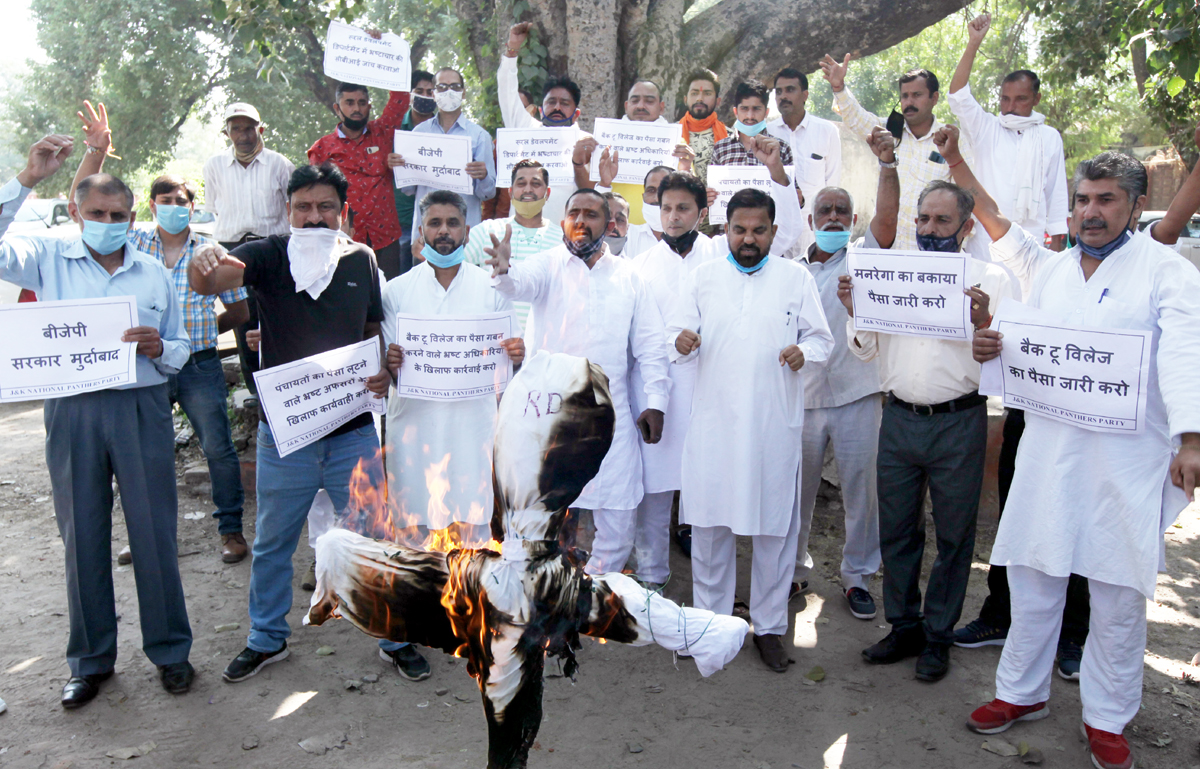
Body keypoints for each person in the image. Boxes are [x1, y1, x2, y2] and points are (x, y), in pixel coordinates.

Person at [941, 126, 1200, 769]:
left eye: (1108, 200)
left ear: (1134, 207)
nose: (1091, 211)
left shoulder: (1166, 271)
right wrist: (990, 347)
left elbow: (1184, 354)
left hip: (1127, 457)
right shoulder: (1053, 269)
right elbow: (1023, 344)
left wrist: (1190, 438)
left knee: (1115, 587)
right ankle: (1020, 694)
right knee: (1033, 572)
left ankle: (1107, 718)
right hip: (1051, 449)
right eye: (1084, 198)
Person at [186, 164, 413, 682]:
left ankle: (394, 636)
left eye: (325, 207)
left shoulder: (360, 259)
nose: (314, 217)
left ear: (343, 212)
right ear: (288, 211)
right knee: (272, 542)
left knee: (375, 538)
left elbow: (373, 326)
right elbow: (209, 281)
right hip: (285, 435)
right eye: (303, 207)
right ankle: (267, 639)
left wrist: (379, 370)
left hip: (352, 430)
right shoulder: (267, 256)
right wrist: (203, 258)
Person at [2, 133, 195, 706]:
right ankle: (90, 662)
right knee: (81, 534)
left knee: (155, 533)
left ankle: (170, 651)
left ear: (133, 216)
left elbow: (182, 345)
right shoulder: (45, 257)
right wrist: (26, 179)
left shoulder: (152, 271)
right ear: (75, 212)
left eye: (117, 214)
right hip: (73, 410)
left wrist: (160, 348)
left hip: (141, 408)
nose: (107, 222)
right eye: (96, 214)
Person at [836, 174, 1012, 683]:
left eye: (943, 220)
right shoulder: (890, 275)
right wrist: (857, 311)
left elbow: (1004, 365)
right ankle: (904, 625)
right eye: (924, 219)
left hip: (958, 422)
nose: (930, 228)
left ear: (965, 226)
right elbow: (866, 351)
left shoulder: (990, 279)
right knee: (897, 530)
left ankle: (938, 636)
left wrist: (984, 325)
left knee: (955, 536)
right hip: (898, 419)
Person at [74, 103, 251, 564]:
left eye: (183, 202)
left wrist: (205, 331)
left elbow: (241, 307)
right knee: (144, 455)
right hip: (142, 366)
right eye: (165, 201)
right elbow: (86, 208)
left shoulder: (210, 251)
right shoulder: (130, 243)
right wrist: (95, 152)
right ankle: (146, 535)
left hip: (199, 365)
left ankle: (230, 531)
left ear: (194, 208)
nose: (174, 208)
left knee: (218, 449)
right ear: (151, 207)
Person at [668, 187, 834, 672]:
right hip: (715, 427)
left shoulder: (795, 278)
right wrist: (681, 341)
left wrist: (807, 353)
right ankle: (711, 626)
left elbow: (821, 339)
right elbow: (673, 336)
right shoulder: (703, 278)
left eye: (758, 230)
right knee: (712, 527)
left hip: (770, 429)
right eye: (739, 229)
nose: (748, 238)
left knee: (773, 532)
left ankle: (770, 627)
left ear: (773, 232)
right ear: (725, 231)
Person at [486, 189, 670, 577]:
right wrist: (503, 269)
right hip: (548, 415)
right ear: (564, 219)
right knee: (536, 509)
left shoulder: (629, 277)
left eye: (592, 214)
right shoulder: (547, 265)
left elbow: (651, 346)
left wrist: (656, 401)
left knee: (618, 510)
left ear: (610, 224)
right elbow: (518, 282)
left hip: (610, 412)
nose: (582, 221)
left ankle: (593, 590)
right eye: (574, 212)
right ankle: (538, 587)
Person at [379, 190, 525, 670]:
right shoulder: (396, 291)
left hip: (473, 428)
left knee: (472, 528)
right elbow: (377, 366)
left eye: (452, 223)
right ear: (420, 233)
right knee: (412, 530)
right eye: (435, 222)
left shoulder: (494, 289)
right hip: (414, 428)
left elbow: (516, 356)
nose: (444, 230)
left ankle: (471, 623)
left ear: (467, 229)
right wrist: (389, 360)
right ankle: (401, 635)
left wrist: (518, 356)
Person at [794, 127, 896, 622]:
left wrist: (887, 164)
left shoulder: (865, 258)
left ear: (853, 220)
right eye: (824, 212)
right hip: (805, 398)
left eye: (841, 211)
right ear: (811, 221)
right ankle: (793, 569)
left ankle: (858, 575)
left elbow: (890, 215)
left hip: (859, 394)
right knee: (797, 491)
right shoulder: (791, 271)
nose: (832, 217)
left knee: (863, 490)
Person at [627, 172, 717, 590]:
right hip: (656, 389)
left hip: (709, 389)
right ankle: (651, 578)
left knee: (706, 490)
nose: (674, 217)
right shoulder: (640, 266)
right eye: (666, 208)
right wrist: (670, 342)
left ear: (701, 212)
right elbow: (633, 334)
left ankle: (709, 585)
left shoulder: (720, 258)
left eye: (683, 208)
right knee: (655, 490)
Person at [820, 54, 971, 252]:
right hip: (889, 248)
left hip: (935, 249)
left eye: (917, 95)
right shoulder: (888, 131)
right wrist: (839, 87)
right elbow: (856, 118)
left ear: (934, 98)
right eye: (904, 96)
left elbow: (967, 196)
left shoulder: (950, 141)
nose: (908, 102)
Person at [948, 13, 1068, 252]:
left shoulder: (1049, 136)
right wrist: (973, 43)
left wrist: (1057, 249)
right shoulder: (986, 128)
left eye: (1020, 99)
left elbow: (1055, 195)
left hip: (1031, 242)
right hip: (984, 242)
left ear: (1036, 99)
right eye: (1005, 99)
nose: (1010, 107)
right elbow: (958, 94)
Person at [203, 100, 294, 395]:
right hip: (233, 247)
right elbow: (216, 207)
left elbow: (292, 207)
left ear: (261, 129)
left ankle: (283, 382)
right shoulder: (214, 166)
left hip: (272, 246)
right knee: (243, 316)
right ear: (227, 132)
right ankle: (255, 388)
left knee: (277, 311)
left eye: (249, 128)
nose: (243, 135)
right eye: (236, 129)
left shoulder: (279, 164)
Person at [308, 49, 412, 280]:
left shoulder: (382, 132)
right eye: (350, 103)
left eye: (362, 103)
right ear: (337, 108)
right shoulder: (322, 149)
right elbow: (314, 197)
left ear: (369, 106)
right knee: (349, 304)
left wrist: (382, 50)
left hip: (385, 237)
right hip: (343, 240)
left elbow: (400, 97)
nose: (357, 108)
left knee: (387, 301)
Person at [392, 66, 496, 241]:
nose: (448, 92)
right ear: (433, 94)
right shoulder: (418, 133)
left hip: (465, 236)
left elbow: (488, 193)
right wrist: (401, 167)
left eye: (454, 87)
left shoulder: (479, 137)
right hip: (425, 237)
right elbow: (408, 190)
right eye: (441, 87)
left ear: (463, 94)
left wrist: (483, 175)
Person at [571, 79, 694, 225]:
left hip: (663, 231)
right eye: (635, 100)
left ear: (661, 107)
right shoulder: (606, 140)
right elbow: (590, 191)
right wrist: (578, 164)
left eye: (649, 101)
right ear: (626, 106)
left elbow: (689, 197)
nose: (641, 106)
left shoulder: (676, 144)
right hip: (615, 229)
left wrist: (686, 168)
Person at [499, 22, 587, 222]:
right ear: (540, 110)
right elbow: (507, 95)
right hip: (522, 236)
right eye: (551, 102)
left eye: (564, 103)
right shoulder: (525, 131)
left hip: (567, 238)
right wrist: (512, 50)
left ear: (576, 113)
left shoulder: (585, 142)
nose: (557, 108)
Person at [462, 160, 562, 333]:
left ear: (548, 193)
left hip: (542, 345)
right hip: (491, 342)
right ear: (510, 192)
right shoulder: (487, 230)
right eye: (521, 184)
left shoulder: (563, 240)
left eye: (536, 184)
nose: (528, 189)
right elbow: (453, 269)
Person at [767, 67, 842, 254]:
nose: (783, 96)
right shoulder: (767, 133)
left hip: (812, 228)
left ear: (805, 95)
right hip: (775, 227)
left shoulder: (827, 131)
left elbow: (832, 184)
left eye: (790, 90)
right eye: (779, 92)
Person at [707, 81, 803, 222]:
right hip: (728, 233)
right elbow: (711, 194)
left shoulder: (780, 148)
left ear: (766, 112)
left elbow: (796, 199)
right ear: (736, 111)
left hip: (768, 233)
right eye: (744, 109)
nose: (750, 116)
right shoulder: (721, 148)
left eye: (756, 109)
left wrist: (795, 196)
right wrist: (708, 196)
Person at [393, 70, 439, 276]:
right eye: (419, 91)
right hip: (400, 222)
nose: (425, 96)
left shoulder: (446, 132)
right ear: (410, 94)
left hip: (435, 222)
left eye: (430, 91)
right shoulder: (392, 129)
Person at [678, 69, 725, 186]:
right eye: (694, 93)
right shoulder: (672, 134)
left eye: (707, 93)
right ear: (685, 99)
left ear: (718, 101)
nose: (700, 98)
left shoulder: (730, 136)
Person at [602, 192, 631, 256]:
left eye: (620, 220)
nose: (613, 225)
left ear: (627, 228)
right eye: (607, 217)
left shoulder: (631, 266)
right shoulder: (576, 263)